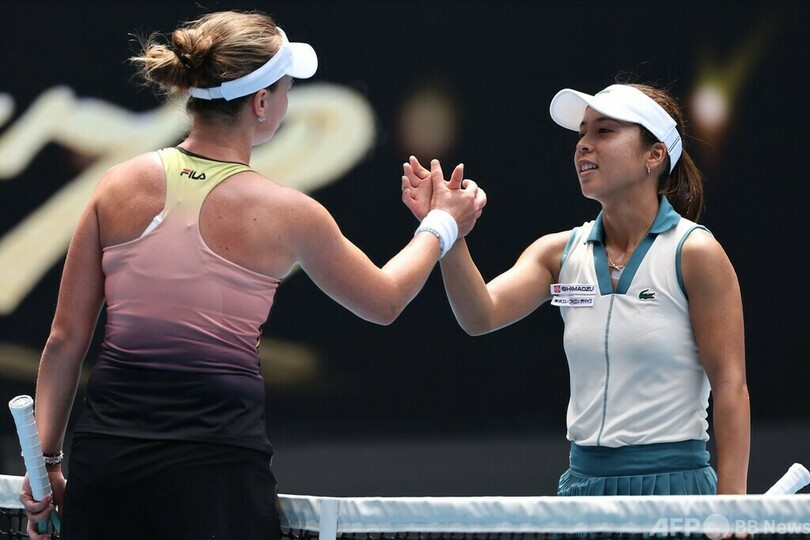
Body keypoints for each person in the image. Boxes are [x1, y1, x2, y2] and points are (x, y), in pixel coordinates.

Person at [19, 10, 486, 540]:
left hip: (108, 467)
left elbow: (64, 340)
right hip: (218, 477)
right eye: (286, 89)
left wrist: (47, 463)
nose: (287, 101)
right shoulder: (289, 213)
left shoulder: (116, 186)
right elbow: (385, 300)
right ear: (261, 103)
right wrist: (443, 223)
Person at [402, 82, 749, 495]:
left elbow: (730, 385)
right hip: (583, 490)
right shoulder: (557, 253)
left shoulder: (695, 253)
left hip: (674, 487)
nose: (583, 144)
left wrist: (733, 510)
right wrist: (448, 229)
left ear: (654, 155)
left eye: (604, 131)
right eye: (582, 133)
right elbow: (480, 315)